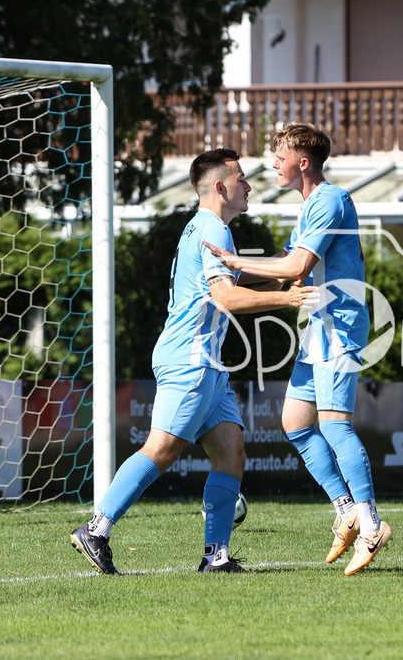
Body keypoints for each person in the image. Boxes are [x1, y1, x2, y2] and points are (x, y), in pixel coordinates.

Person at [70, 148, 317, 574]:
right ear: (220, 186)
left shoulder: (208, 228)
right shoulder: (212, 230)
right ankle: (96, 528)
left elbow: (233, 279)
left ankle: (215, 557)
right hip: (191, 358)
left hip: (206, 362)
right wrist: (287, 297)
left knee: (231, 454)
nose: (249, 185)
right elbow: (225, 297)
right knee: (162, 449)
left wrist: (285, 263)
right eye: (241, 179)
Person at [204, 123, 391, 576]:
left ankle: (371, 524)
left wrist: (233, 261)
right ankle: (345, 510)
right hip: (319, 329)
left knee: (335, 426)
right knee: (295, 422)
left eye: (279, 156)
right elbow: (286, 275)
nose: (273, 164)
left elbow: (298, 264)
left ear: (302, 162)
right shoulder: (310, 206)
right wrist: (222, 277)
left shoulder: (329, 199)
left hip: (340, 325)